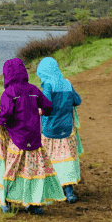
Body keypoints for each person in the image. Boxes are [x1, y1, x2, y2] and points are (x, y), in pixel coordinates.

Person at [0, 58, 66, 214]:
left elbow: (6, 114)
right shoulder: (33, 90)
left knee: (12, 169)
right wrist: (42, 112)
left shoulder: (9, 93)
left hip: (16, 140)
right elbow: (48, 106)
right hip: (33, 139)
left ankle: (6, 201)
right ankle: (33, 203)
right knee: (32, 171)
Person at [36, 56, 83, 203]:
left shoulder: (48, 86)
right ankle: (69, 192)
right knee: (66, 160)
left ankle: (48, 190)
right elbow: (78, 101)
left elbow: (46, 106)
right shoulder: (67, 83)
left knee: (48, 159)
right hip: (66, 130)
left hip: (50, 130)